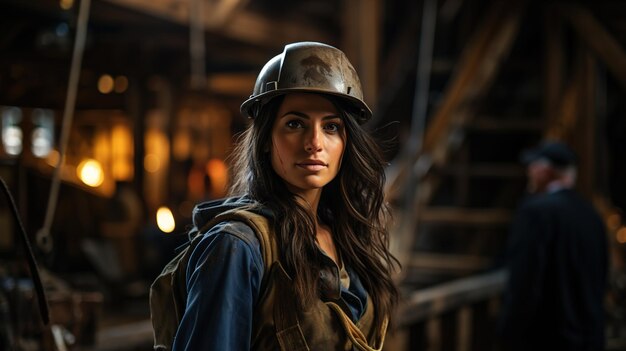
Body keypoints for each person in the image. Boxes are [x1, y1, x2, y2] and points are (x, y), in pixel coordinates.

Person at [171, 42, 398, 350]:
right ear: (266, 139)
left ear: (347, 142)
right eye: (295, 124)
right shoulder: (236, 246)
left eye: (331, 127)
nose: (314, 143)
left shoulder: (345, 234)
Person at [498, 141, 608, 351]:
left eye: (532, 166)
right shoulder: (591, 215)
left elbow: (525, 281)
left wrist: (508, 333)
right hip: (589, 338)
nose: (529, 172)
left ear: (544, 171)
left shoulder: (536, 212)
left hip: (549, 339)